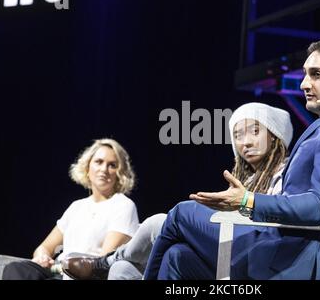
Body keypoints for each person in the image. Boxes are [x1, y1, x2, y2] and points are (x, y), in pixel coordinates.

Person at [143, 38, 320, 280]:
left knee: (181, 214)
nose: (304, 84)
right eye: (305, 74)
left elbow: (319, 206)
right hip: (279, 249)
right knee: (178, 257)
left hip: (288, 259)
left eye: (317, 74)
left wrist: (247, 200)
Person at [61, 102, 294, 279]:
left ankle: (104, 263)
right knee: (128, 268)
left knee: (160, 221)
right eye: (238, 135)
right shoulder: (246, 179)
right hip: (228, 247)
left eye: (255, 131)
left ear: (275, 136)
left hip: (255, 251)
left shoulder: (287, 172)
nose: (246, 142)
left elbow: (281, 218)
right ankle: (112, 264)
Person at [2, 138, 140, 280]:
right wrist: (42, 257)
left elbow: (102, 263)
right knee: (15, 269)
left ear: (120, 173)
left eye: (112, 165)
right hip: (59, 274)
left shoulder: (123, 206)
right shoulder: (76, 207)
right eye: (99, 162)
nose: (104, 169)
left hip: (87, 276)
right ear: (87, 168)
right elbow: (44, 247)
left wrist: (68, 267)